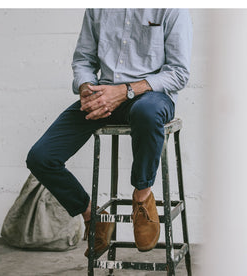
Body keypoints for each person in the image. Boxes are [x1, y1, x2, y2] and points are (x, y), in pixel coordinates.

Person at [26, 8, 192, 257]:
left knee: (146, 113)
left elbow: (178, 73)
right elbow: (83, 60)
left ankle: (142, 196)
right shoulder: (97, 8)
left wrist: (126, 91)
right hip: (103, 95)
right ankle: (93, 216)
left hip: (151, 96)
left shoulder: (170, 9)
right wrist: (85, 87)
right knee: (41, 157)